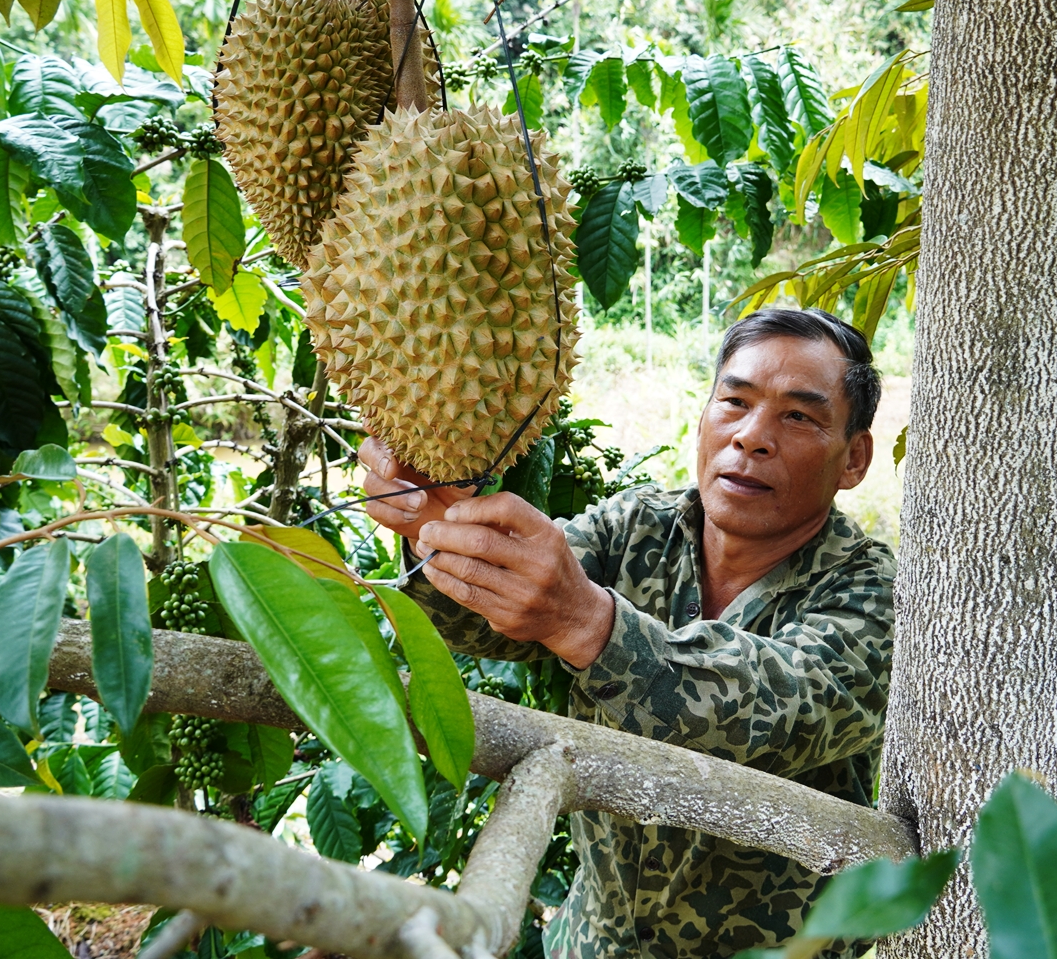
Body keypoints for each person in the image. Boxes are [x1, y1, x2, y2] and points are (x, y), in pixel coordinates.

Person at [360, 307, 895, 958]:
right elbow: (489, 625)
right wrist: (440, 528)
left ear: (854, 457)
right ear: (703, 417)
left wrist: (585, 621)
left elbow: (776, 715)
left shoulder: (873, 594)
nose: (752, 437)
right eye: (734, 401)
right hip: (594, 943)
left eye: (799, 417)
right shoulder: (634, 526)